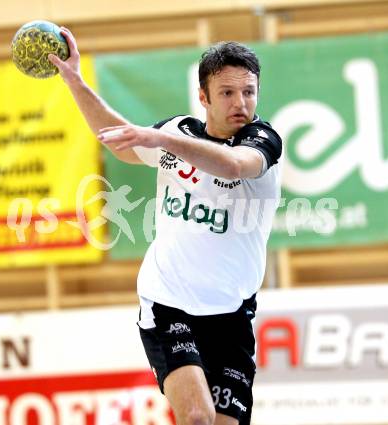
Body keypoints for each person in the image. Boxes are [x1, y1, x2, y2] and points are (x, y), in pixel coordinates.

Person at [50, 29, 282, 425]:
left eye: (249, 91)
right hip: (169, 299)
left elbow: (231, 165)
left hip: (232, 311)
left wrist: (158, 138)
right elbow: (118, 141)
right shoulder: (178, 132)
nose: (240, 103)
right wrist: (75, 79)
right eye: (227, 93)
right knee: (196, 417)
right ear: (204, 97)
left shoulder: (262, 141)